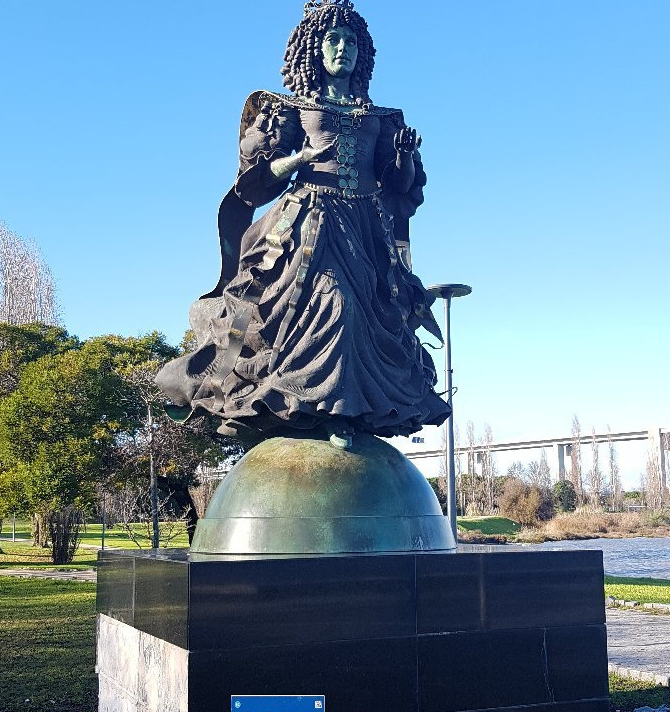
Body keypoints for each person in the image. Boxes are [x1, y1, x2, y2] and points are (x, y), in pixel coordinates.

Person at [156, 0, 450, 447]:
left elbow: (399, 190)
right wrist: (299, 159)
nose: (342, 48)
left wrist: (404, 158)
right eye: (333, 39)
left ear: (362, 52)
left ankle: (351, 410)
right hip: (310, 223)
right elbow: (256, 181)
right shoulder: (292, 108)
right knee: (333, 304)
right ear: (314, 48)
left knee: (371, 314)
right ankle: (327, 410)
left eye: (351, 41)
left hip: (364, 229)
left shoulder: (382, 118)